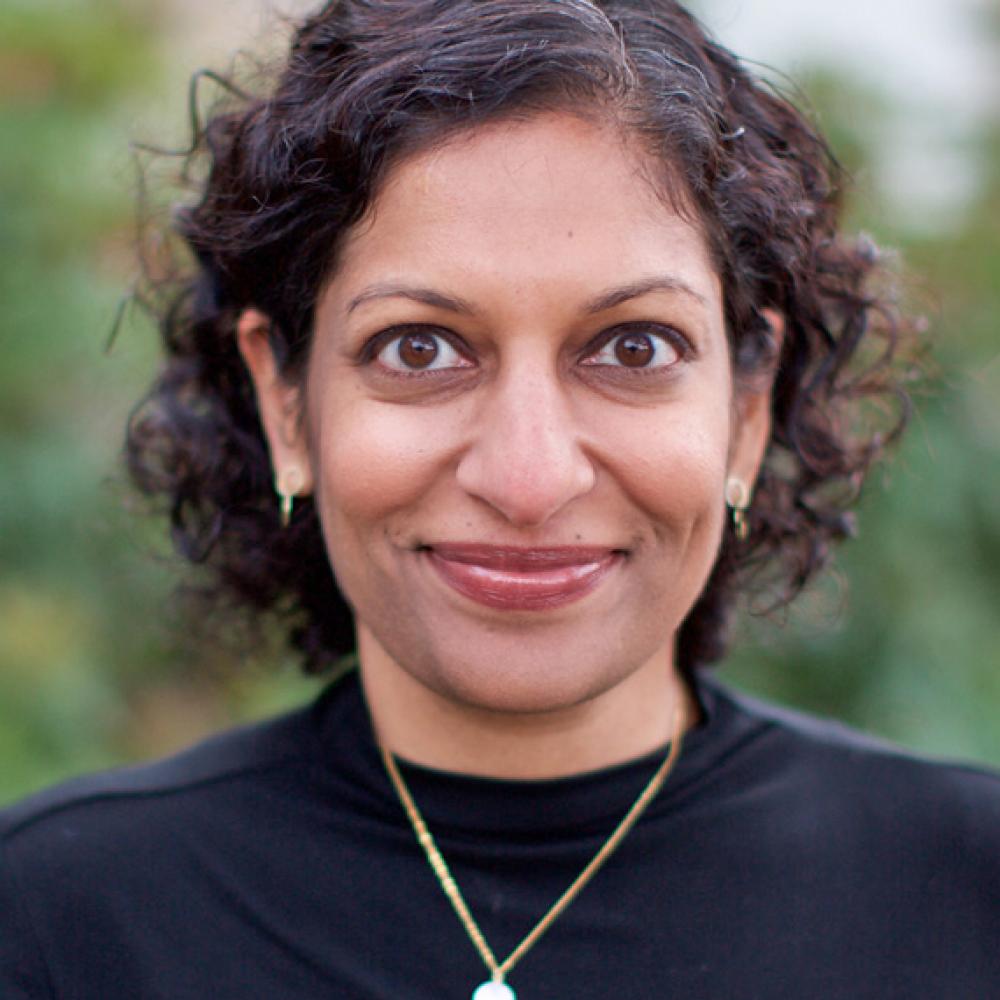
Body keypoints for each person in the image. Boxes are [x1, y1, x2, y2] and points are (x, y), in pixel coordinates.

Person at [2, 1, 998, 997]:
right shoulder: (58, 920)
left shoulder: (969, 889)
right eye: (419, 348)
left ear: (745, 409)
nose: (529, 479)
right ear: (287, 405)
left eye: (633, 346)